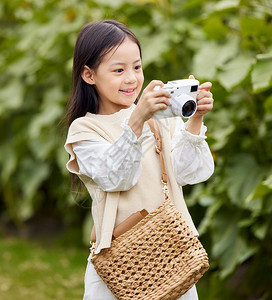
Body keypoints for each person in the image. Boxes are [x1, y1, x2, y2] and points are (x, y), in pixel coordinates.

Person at [64, 20, 214, 300]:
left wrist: (196, 119)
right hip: (121, 265)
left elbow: (189, 173)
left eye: (137, 67)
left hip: (173, 256)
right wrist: (138, 119)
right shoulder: (85, 130)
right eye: (118, 70)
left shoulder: (160, 117)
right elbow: (116, 177)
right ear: (89, 74)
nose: (131, 78)